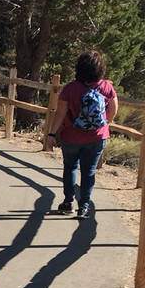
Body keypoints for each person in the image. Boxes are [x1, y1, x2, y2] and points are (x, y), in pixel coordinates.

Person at [45, 51, 118, 219]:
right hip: (97, 137)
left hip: (72, 136)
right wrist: (106, 125)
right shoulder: (107, 87)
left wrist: (51, 134)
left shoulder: (70, 89)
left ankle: (68, 202)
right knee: (89, 172)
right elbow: (113, 110)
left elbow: (60, 114)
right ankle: (84, 206)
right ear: (100, 69)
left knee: (70, 167)